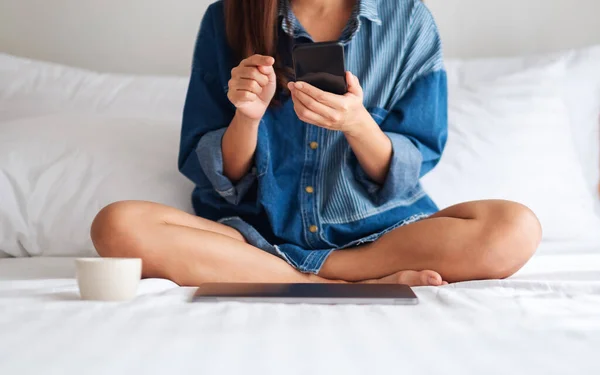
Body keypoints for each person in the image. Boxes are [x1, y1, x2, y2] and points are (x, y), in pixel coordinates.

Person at [91, 0, 541, 286]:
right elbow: (214, 172)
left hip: (379, 237)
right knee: (116, 225)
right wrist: (247, 119)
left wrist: (358, 124)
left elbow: (414, 160)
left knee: (514, 228)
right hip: (253, 240)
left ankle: (324, 272)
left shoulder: (408, 20)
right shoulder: (227, 16)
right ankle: (336, 283)